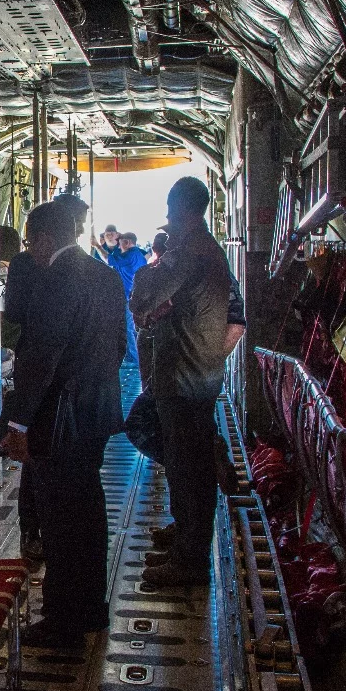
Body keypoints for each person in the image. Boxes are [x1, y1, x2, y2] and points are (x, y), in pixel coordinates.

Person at [0, 201, 126, 643]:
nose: (30, 251)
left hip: (62, 418)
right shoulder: (106, 276)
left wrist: (18, 423)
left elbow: (41, 358)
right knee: (89, 512)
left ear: (47, 239)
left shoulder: (54, 280)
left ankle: (63, 621)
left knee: (60, 519)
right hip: (98, 411)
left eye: (31, 241)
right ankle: (92, 608)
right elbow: (119, 347)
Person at [129, 176, 237, 587]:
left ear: (183, 212)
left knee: (188, 466)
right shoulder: (207, 249)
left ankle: (190, 559)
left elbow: (144, 295)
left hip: (184, 373)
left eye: (172, 213)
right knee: (187, 461)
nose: (169, 221)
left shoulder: (189, 250)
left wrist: (150, 276)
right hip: (199, 370)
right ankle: (187, 533)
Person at [111, 232, 147, 365]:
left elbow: (109, 259)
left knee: (128, 328)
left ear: (127, 242)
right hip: (132, 295)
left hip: (129, 296)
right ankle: (132, 356)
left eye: (120, 244)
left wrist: (96, 245)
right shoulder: (137, 254)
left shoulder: (131, 255)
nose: (119, 247)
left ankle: (135, 357)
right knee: (130, 327)